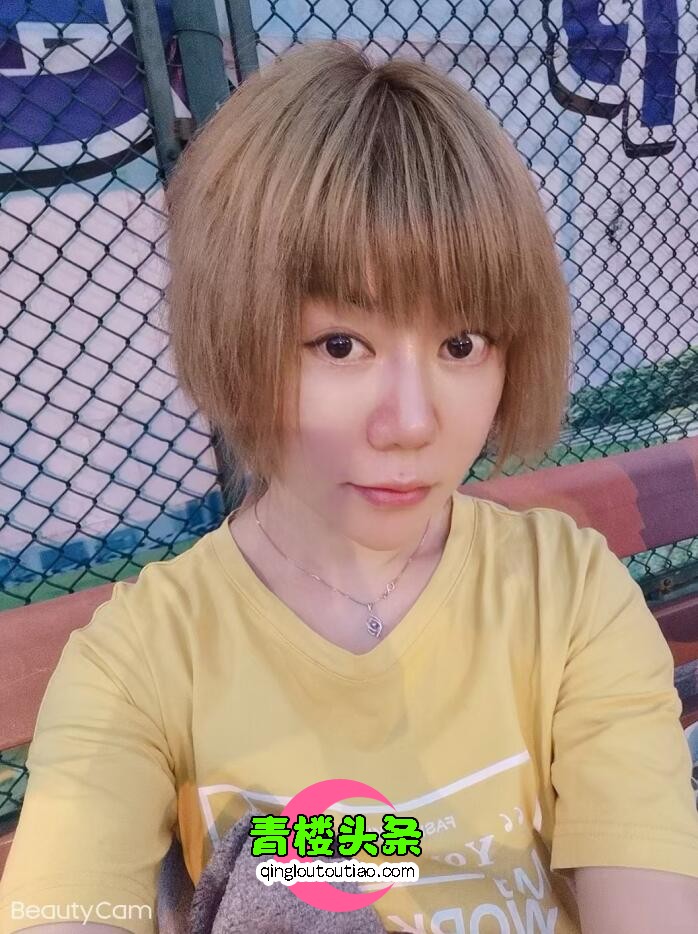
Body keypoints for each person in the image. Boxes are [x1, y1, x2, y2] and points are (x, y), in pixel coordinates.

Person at [1, 39, 697, 934]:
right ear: (235, 335)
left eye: (461, 344)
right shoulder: (141, 665)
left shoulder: (568, 597)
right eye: (340, 344)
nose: (410, 421)